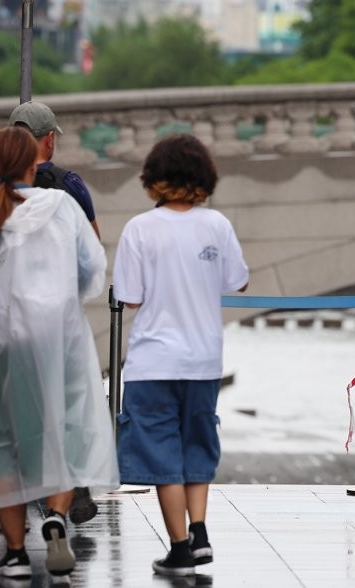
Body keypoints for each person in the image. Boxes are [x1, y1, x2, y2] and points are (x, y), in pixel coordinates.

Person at [0, 126, 119, 580]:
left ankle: (15, 552)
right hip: (59, 342)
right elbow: (93, 272)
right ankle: (55, 516)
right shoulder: (64, 209)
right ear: (37, 160)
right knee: (59, 432)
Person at [112, 134, 249, 577]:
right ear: (204, 177)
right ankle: (201, 531)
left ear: (153, 178)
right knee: (197, 446)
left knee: (161, 455)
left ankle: (179, 548)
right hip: (204, 360)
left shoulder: (139, 229)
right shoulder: (217, 225)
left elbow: (129, 297)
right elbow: (238, 282)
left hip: (153, 360)